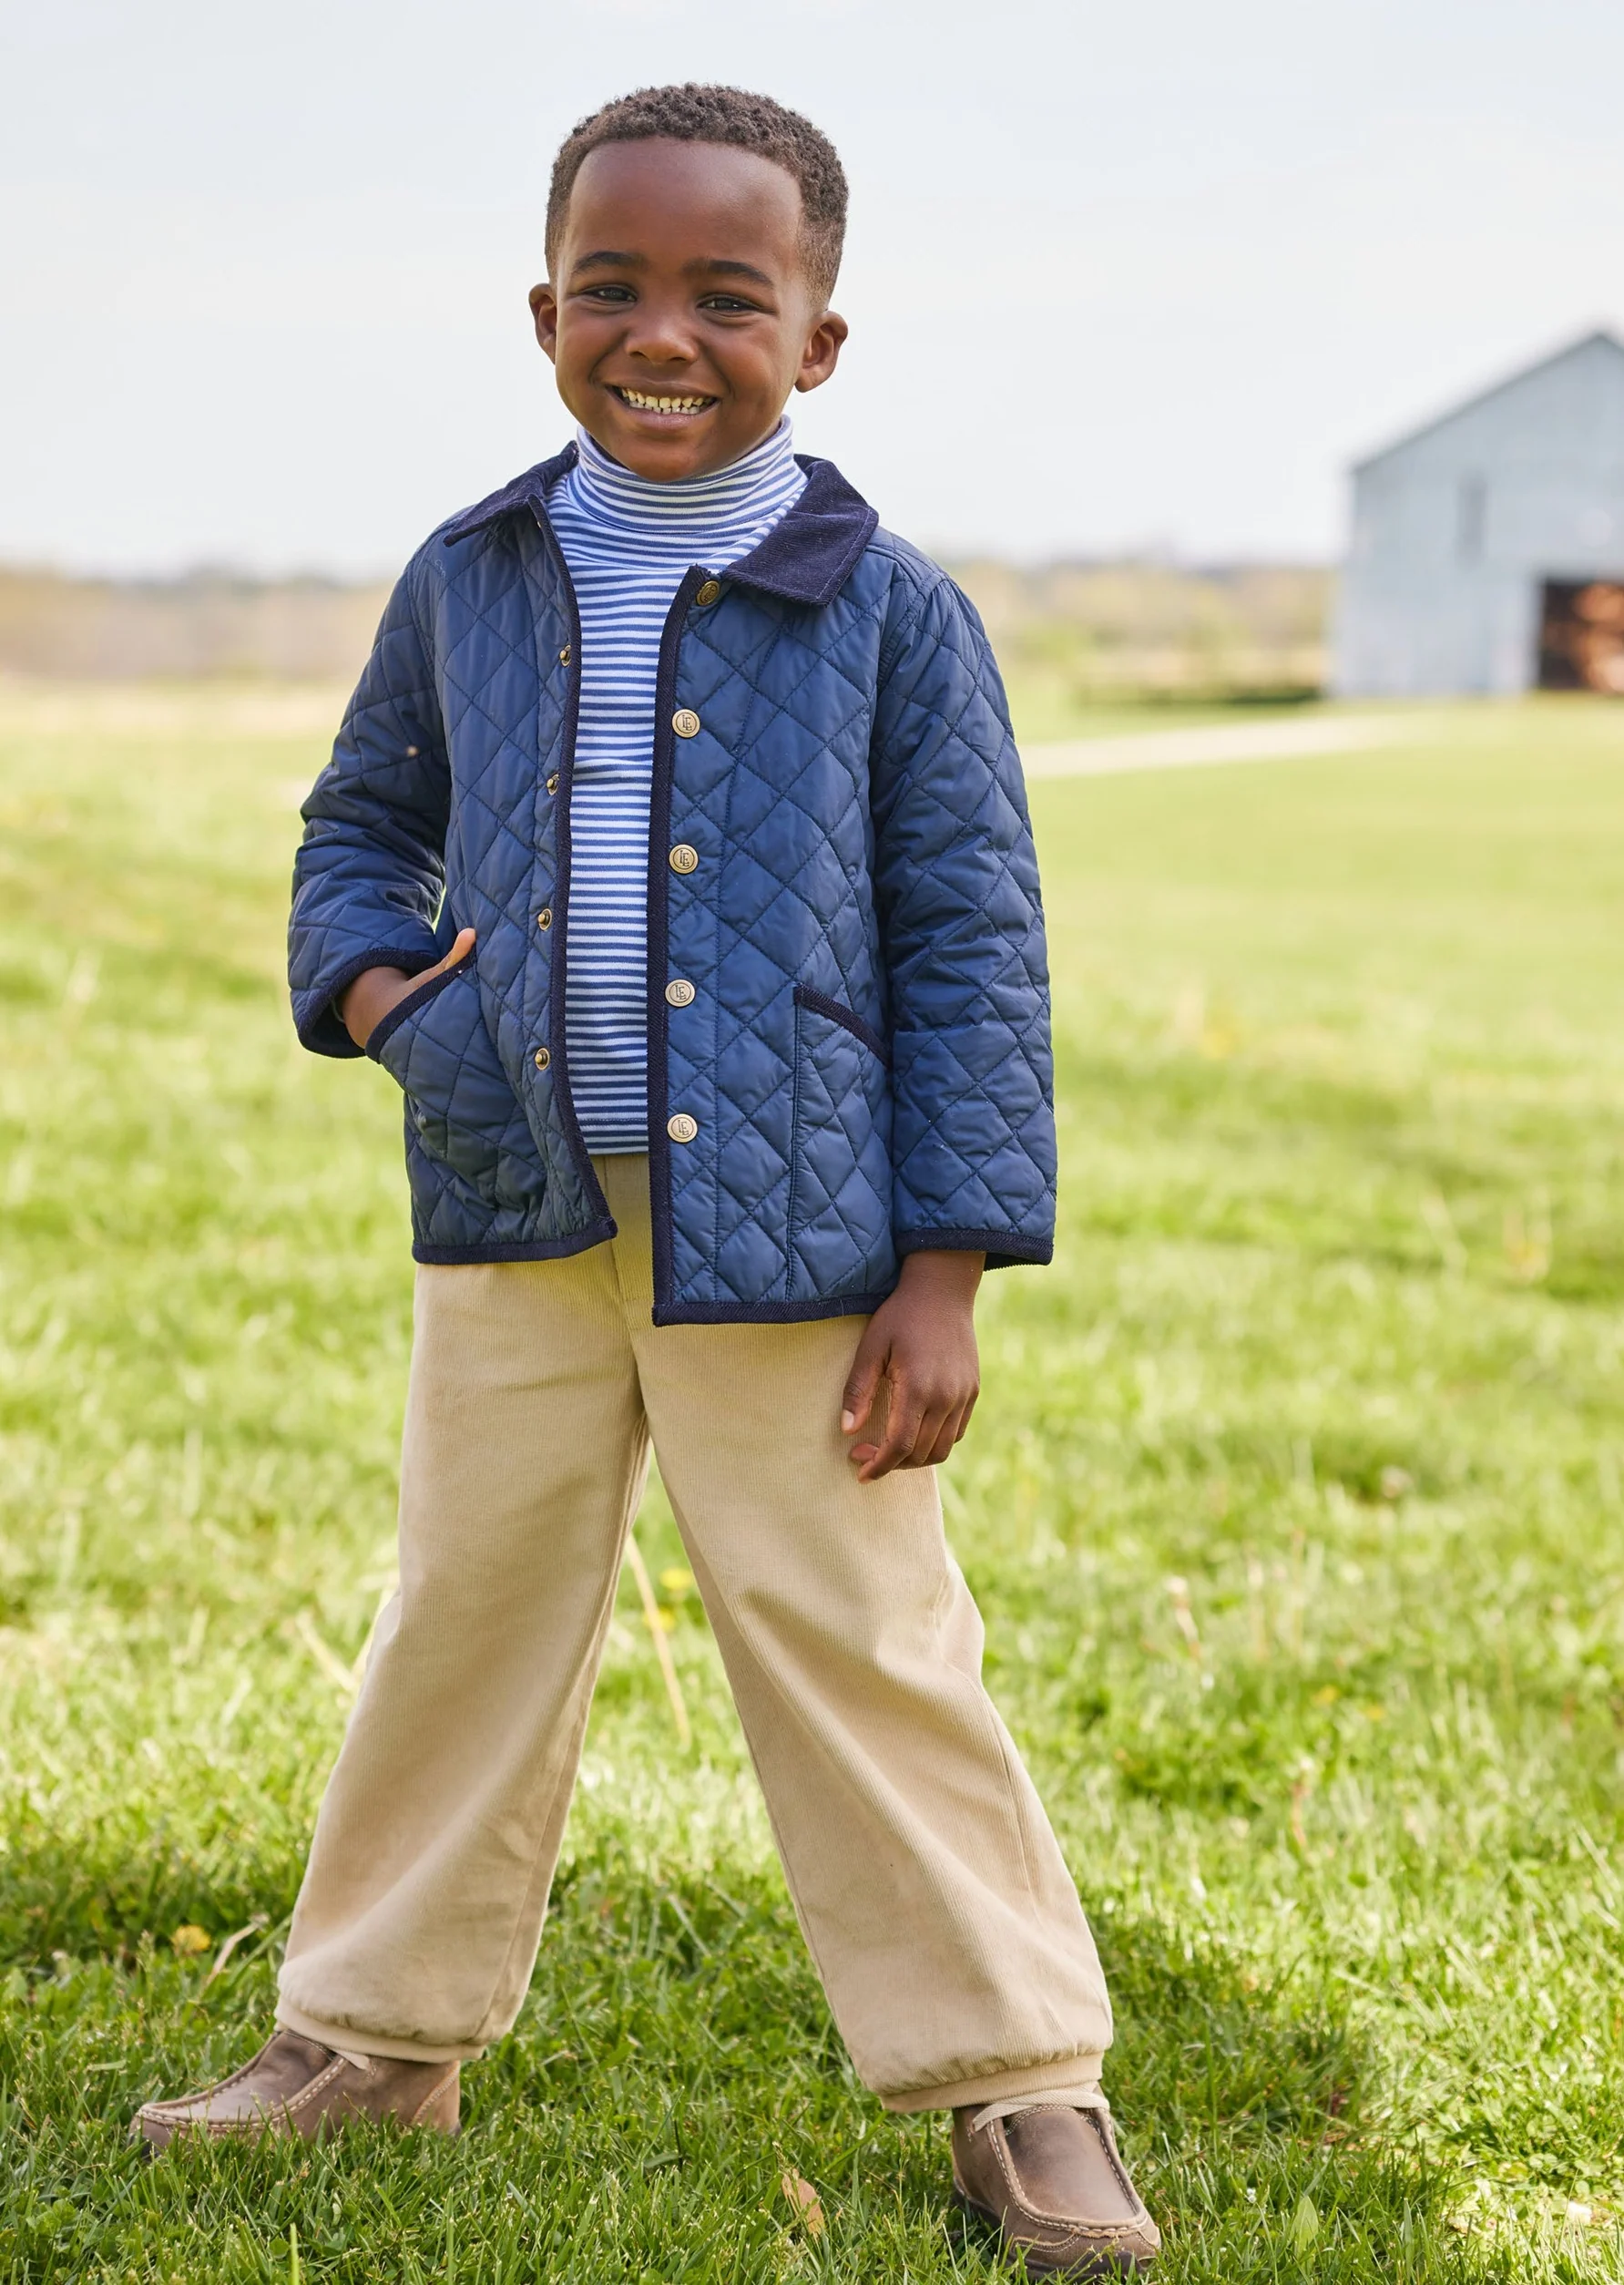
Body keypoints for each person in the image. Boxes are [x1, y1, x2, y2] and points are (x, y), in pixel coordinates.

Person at [134, 83, 1159, 2279]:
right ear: (543, 311)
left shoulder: (887, 610)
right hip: (515, 1211)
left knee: (866, 1636)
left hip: (796, 1245)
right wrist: (382, 998)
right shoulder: (471, 573)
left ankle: (1019, 2087)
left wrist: (950, 1269)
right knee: (461, 1616)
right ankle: (374, 2034)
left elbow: (977, 941)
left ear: (821, 336)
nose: (663, 335)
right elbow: (356, 824)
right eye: (615, 288)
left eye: (727, 294)